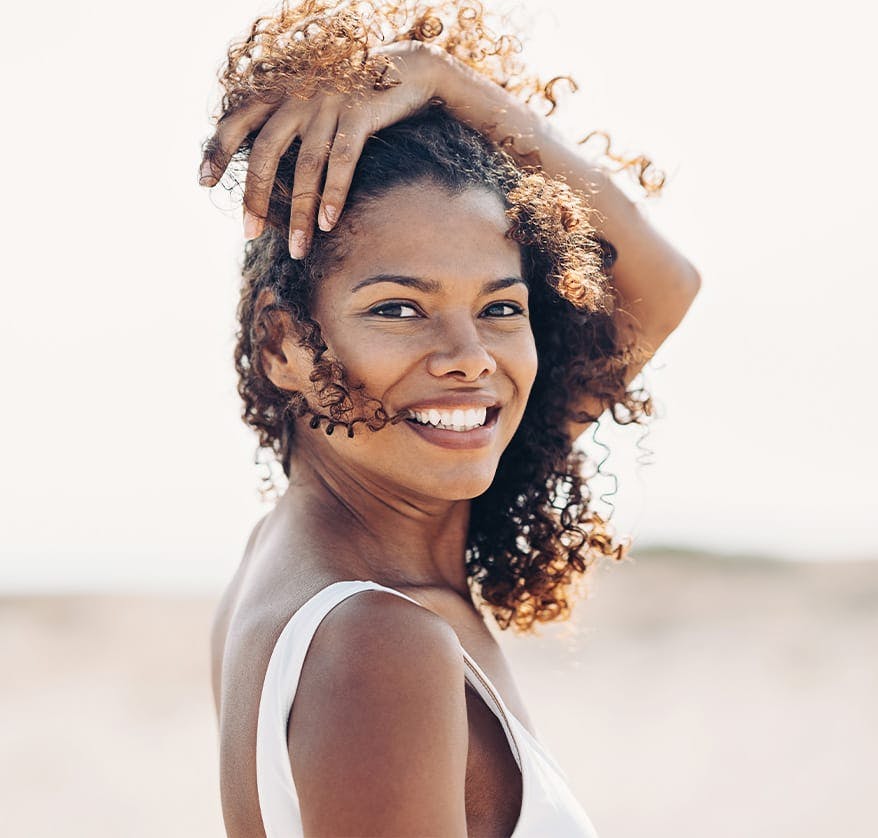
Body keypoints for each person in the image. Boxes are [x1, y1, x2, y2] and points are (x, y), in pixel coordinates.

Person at [200, 1, 701, 835]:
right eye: (399, 310)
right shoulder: (378, 640)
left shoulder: (313, 550)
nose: (469, 357)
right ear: (283, 341)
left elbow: (661, 290)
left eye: (501, 308)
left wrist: (446, 83)